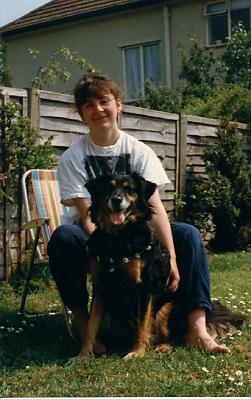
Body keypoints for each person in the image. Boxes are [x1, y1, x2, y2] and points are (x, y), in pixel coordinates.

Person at [47, 72, 230, 353]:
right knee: (62, 236)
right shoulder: (73, 156)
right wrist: (112, 253)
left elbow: (155, 209)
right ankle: (87, 331)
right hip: (93, 236)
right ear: (81, 114)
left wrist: (172, 258)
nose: (97, 109)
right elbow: (86, 216)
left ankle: (198, 329)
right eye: (88, 105)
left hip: (135, 233)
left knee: (188, 234)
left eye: (104, 101)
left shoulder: (139, 151)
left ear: (118, 104)